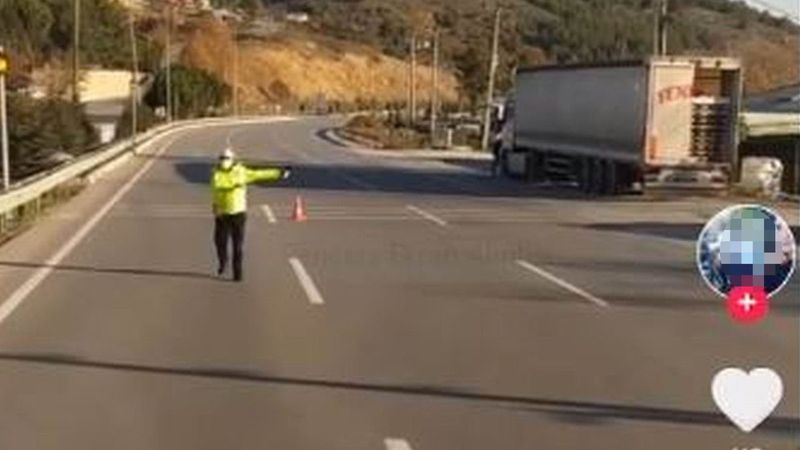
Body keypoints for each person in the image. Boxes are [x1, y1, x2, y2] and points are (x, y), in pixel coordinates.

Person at [211, 148, 290, 281]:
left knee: (237, 245)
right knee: (220, 242)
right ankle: (223, 261)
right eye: (222, 158)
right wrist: (215, 206)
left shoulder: (241, 172)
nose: (224, 161)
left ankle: (238, 274)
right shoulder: (215, 173)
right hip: (222, 213)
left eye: (227, 158)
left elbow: (259, 174)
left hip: (238, 213)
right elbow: (215, 191)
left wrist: (279, 173)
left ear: (232, 160)